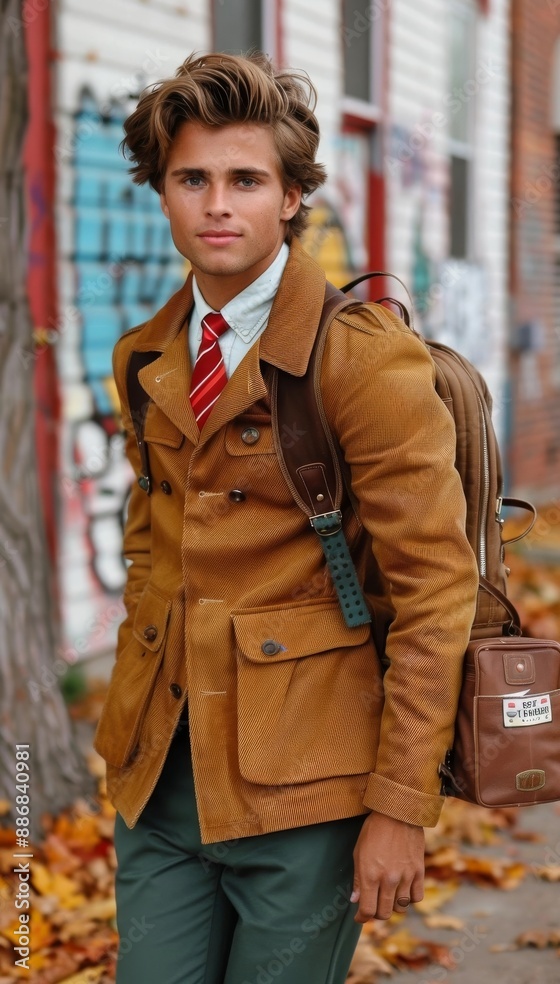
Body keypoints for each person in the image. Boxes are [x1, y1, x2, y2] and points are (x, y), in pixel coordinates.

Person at [93, 51, 479, 984]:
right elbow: (153, 546)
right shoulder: (144, 356)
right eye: (192, 178)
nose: (217, 204)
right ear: (162, 191)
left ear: (293, 196)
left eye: (246, 179)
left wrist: (398, 806)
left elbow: (435, 592)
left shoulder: (363, 361)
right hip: (159, 781)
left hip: (307, 789)